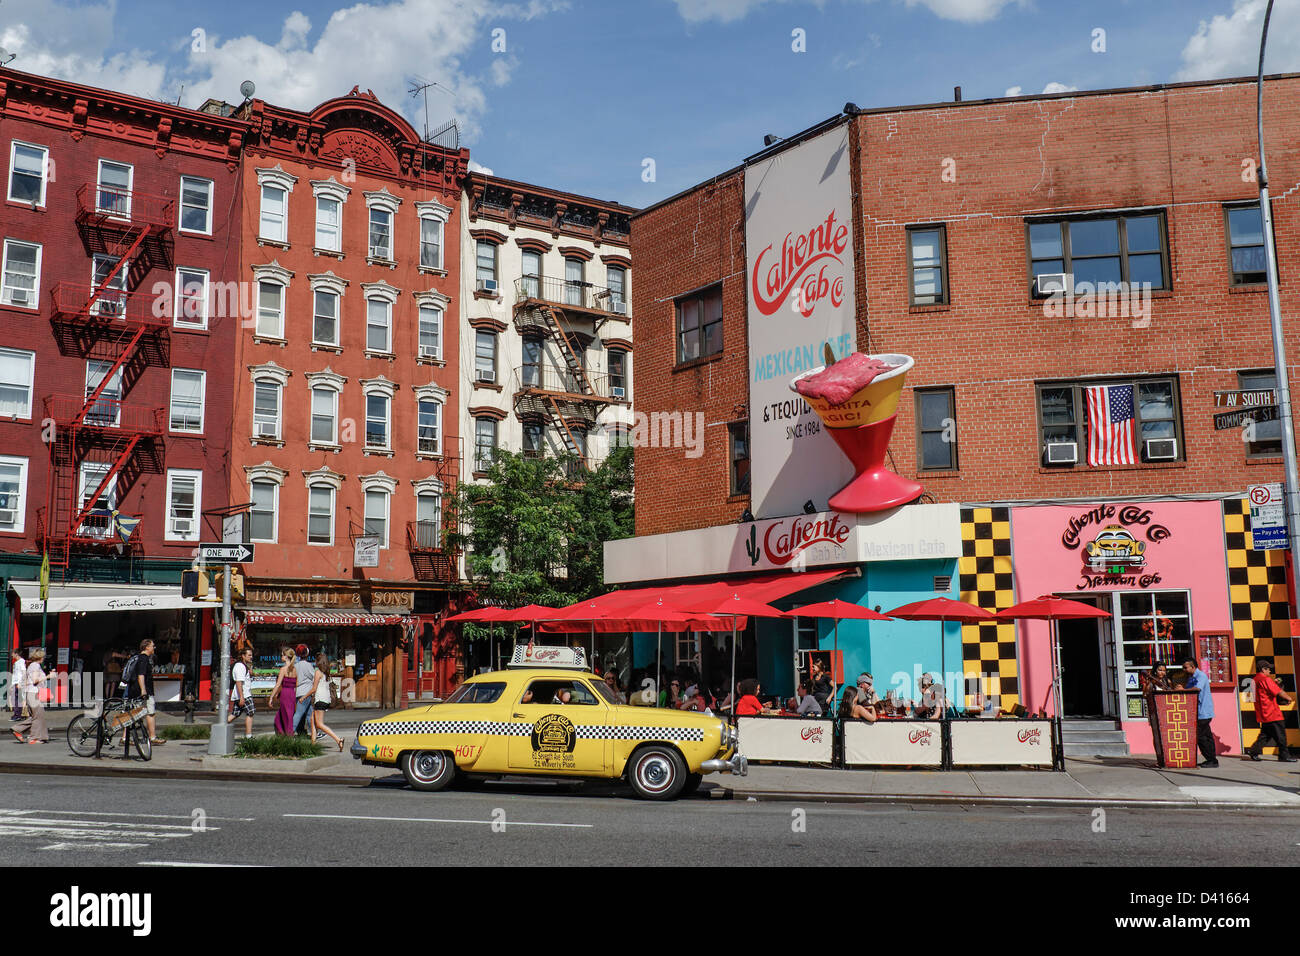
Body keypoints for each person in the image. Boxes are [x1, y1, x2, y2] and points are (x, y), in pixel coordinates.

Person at [1245, 659, 1295, 762]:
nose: (1270, 672)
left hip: (1263, 712)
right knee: (1281, 735)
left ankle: (1254, 751)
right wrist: (1288, 698)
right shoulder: (1265, 679)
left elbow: (1263, 692)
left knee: (1265, 735)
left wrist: (1273, 683)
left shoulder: (1254, 680)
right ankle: (1284, 755)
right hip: (1272, 712)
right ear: (1263, 669)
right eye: (1268, 669)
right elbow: (1278, 691)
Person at [124, 639, 166, 745]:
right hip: (142, 691)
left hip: (138, 690)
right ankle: (151, 737)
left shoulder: (142, 658)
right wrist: (143, 690)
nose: (154, 648)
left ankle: (126, 738)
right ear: (146, 647)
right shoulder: (143, 659)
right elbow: (141, 675)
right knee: (146, 713)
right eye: (152, 646)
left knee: (136, 714)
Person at [1182, 657, 1218, 768]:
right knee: (1206, 736)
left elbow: (1196, 689)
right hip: (1198, 712)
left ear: (1193, 667)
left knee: (1201, 737)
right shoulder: (1192, 677)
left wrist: (1183, 690)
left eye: (1185, 667)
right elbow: (1188, 690)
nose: (1184, 670)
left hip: (1203, 712)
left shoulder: (1201, 676)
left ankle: (1211, 760)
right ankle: (1212, 759)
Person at [12, 648, 49, 743]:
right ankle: (34, 738)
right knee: (38, 716)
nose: (44, 658)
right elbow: (35, 680)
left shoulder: (33, 666)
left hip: (31, 693)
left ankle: (17, 729)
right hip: (34, 694)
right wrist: (48, 676)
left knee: (36, 716)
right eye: (43, 657)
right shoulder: (35, 666)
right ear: (40, 657)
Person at [309, 653, 343, 751]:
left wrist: (303, 697)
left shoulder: (318, 672)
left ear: (318, 661)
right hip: (325, 699)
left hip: (319, 699)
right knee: (312, 720)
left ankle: (338, 740)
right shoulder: (326, 673)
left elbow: (314, 688)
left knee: (319, 724)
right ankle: (313, 745)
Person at [269, 647, 297, 735]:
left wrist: (271, 697)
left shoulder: (283, 669)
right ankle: (287, 733)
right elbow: (297, 684)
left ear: (286, 657)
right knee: (288, 715)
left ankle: (286, 734)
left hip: (285, 694)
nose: (281, 656)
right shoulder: (295, 669)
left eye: (282, 655)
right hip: (292, 693)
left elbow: (278, 685)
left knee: (283, 716)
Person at [229, 646, 255, 738]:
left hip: (242, 694)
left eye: (251, 655)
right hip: (244, 694)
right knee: (250, 713)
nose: (251, 657)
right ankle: (249, 736)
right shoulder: (239, 666)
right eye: (249, 655)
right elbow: (239, 682)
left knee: (235, 713)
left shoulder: (244, 665)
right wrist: (242, 697)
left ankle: (222, 725)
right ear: (243, 656)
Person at [293, 645, 316, 736]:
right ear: (307, 654)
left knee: (310, 714)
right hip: (306, 692)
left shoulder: (295, 665)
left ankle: (314, 732)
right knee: (299, 713)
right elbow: (313, 677)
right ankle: (290, 732)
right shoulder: (308, 665)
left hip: (298, 692)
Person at [9, 647, 26, 722]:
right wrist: (12, 684)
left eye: (13, 654)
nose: (12, 655)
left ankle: (18, 715)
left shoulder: (21, 661)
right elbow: (15, 674)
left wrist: (20, 683)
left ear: (16, 654)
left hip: (18, 683)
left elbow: (23, 672)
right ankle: (17, 714)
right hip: (15, 682)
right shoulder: (16, 662)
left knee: (17, 699)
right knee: (15, 699)